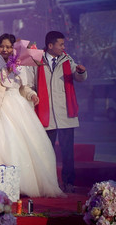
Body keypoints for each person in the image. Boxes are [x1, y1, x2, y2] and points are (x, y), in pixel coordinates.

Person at [0, 34, 64, 198]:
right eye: (2, 46)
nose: (5, 50)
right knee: (1, 142)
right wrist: (7, 69)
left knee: (28, 144)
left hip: (19, 106)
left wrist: (31, 95)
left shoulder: (21, 62)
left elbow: (24, 87)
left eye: (8, 47)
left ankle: (21, 184)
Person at [35, 31, 87, 193]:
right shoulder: (37, 60)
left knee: (67, 152)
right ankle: (49, 182)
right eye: (61, 44)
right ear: (50, 46)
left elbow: (79, 78)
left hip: (64, 113)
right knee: (47, 151)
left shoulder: (67, 58)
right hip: (46, 113)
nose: (64, 47)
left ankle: (68, 181)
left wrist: (80, 72)